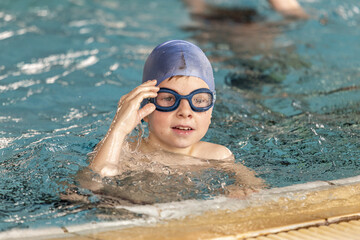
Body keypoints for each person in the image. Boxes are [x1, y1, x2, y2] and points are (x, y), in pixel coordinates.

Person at [88, 40, 265, 200]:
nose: (185, 112)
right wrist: (118, 129)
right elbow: (94, 186)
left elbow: (254, 187)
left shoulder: (217, 156)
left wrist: (241, 189)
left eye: (199, 100)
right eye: (169, 99)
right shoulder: (123, 151)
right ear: (145, 109)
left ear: (211, 109)